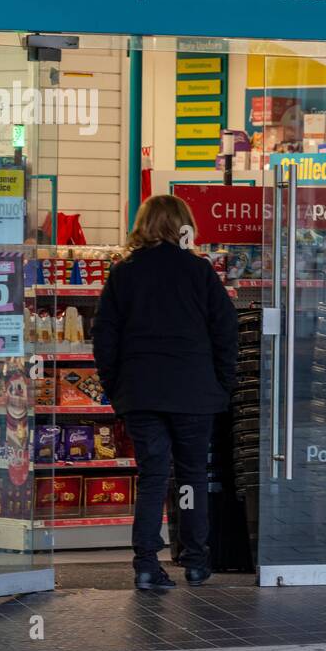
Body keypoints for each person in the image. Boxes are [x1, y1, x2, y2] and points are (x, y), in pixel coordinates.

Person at [93, 194, 237, 590]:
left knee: (153, 476)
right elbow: (226, 332)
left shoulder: (124, 274)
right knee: (191, 475)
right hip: (194, 392)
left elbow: (104, 336)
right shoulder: (199, 271)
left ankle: (145, 564)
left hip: (141, 393)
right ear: (183, 225)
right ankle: (196, 560)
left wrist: (116, 388)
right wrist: (221, 384)